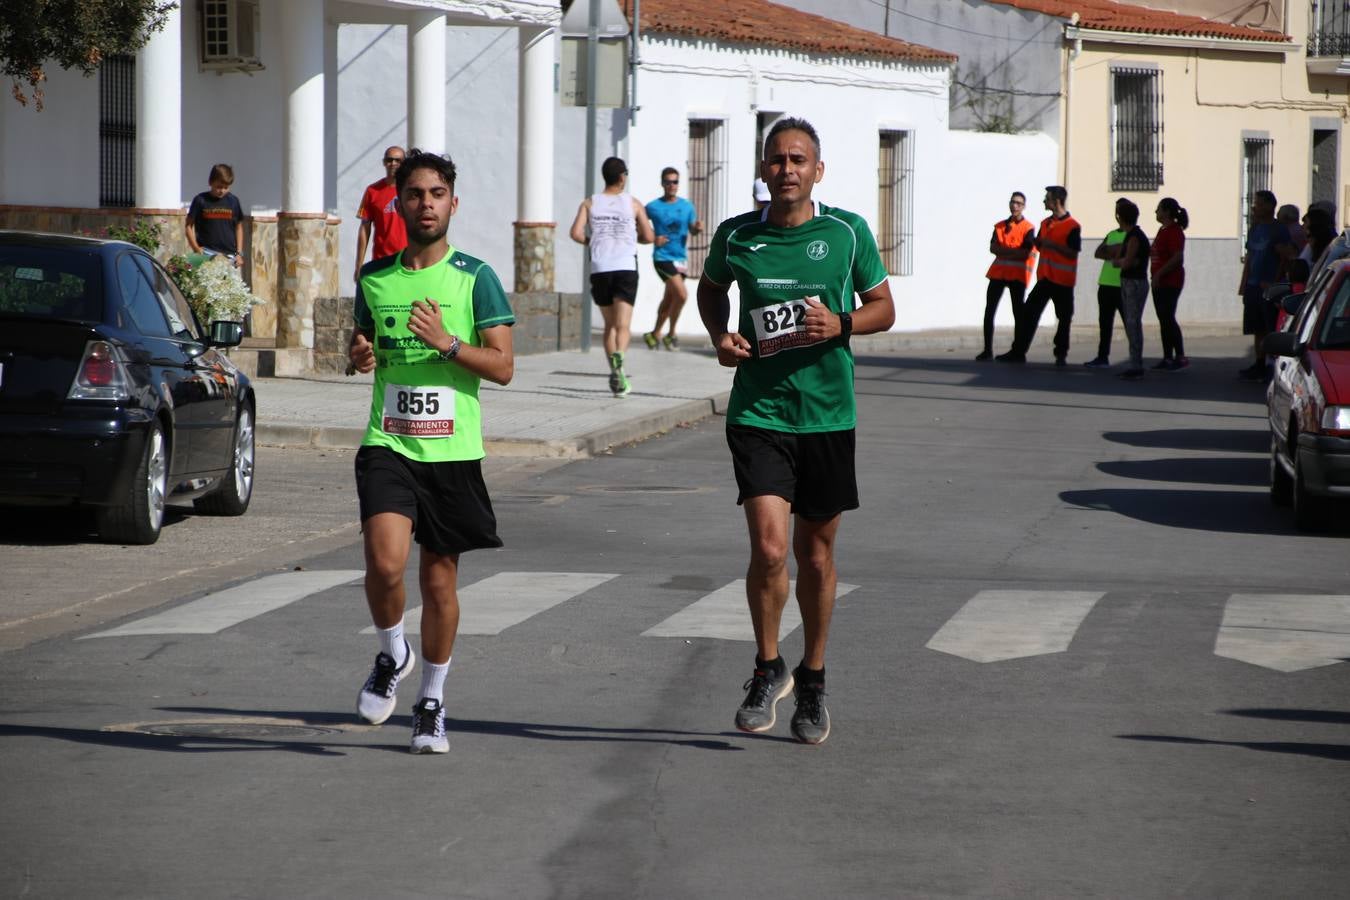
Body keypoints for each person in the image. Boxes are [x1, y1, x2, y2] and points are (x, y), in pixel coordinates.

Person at [696, 117, 895, 745]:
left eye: (799, 159)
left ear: (818, 170)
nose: (787, 169)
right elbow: (710, 292)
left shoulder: (846, 232)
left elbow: (884, 309)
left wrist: (840, 324)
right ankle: (765, 666)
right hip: (759, 412)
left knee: (815, 554)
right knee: (771, 549)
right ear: (762, 170)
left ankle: (811, 678)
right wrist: (720, 337)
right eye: (777, 159)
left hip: (829, 417)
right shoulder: (736, 236)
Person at [347, 149, 516, 755]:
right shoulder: (375, 277)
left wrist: (447, 344)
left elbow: (503, 367)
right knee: (386, 564)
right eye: (414, 194)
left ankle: (432, 703)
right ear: (399, 201)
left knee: (440, 583)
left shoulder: (476, 277)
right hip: (387, 442)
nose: (426, 204)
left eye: (436, 194)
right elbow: (362, 346)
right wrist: (358, 357)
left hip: (451, 451)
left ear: (452, 202)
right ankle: (394, 650)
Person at [568, 157, 655, 397]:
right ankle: (621, 358)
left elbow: (575, 233)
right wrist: (630, 236)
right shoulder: (633, 203)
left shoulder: (590, 203)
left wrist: (593, 241)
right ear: (622, 177)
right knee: (623, 325)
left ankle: (616, 372)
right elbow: (648, 236)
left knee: (609, 325)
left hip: (600, 266)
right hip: (626, 265)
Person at [996, 185, 1081, 365]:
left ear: (1056, 201)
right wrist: (1039, 243)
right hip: (1045, 279)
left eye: (1047, 198)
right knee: (1028, 314)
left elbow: (1073, 253)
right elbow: (1042, 246)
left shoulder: (1072, 226)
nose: (1044, 201)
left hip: (1063, 282)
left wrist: (1052, 245)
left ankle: (1060, 354)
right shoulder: (1045, 223)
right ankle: (1018, 352)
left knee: (1064, 318)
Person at [642, 167, 702, 351]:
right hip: (662, 257)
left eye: (675, 181)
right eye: (668, 182)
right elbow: (638, 226)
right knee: (682, 294)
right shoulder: (652, 207)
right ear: (662, 184)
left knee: (670, 299)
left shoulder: (687, 206)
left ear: (678, 184)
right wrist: (653, 237)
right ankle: (671, 333)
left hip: (680, 259)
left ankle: (654, 334)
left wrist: (697, 229)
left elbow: (692, 229)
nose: (671, 185)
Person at [1237, 190, 1294, 380]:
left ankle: (1272, 364)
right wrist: (1244, 284)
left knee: (1270, 326)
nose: (1255, 206)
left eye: (1259, 203)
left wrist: (1275, 283)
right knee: (1256, 327)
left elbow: (1285, 257)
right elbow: (1250, 257)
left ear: (1270, 206)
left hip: (1269, 287)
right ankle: (1259, 363)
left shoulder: (1278, 230)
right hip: (1253, 285)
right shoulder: (1255, 229)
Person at [977, 191, 1035, 361]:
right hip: (998, 273)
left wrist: (1004, 251)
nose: (1014, 205)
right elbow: (992, 248)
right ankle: (987, 350)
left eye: (1018, 203)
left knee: (1018, 313)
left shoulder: (1028, 228)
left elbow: (1025, 253)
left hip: (1017, 275)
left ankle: (1018, 352)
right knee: (989, 311)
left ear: (1023, 206)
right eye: (1012, 202)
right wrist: (1012, 252)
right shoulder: (1000, 226)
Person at [353, 145, 408, 284]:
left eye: (398, 160)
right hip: (382, 260)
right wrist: (359, 265)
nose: (393, 164)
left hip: (408, 259)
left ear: (404, 163)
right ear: (384, 162)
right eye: (389, 160)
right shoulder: (372, 191)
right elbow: (364, 228)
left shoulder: (411, 190)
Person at [1113, 199, 1150, 380]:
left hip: (1133, 282)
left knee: (1133, 323)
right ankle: (1135, 362)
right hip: (1133, 282)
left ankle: (1136, 364)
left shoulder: (1135, 236)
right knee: (1132, 322)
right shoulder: (1132, 235)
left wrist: (1117, 262)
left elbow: (1127, 261)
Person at [1150, 197, 1189, 371]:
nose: (1156, 212)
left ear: (1166, 211)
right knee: (1163, 319)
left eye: (1158, 209)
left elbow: (1177, 257)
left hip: (1170, 281)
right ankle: (1167, 357)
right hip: (1160, 281)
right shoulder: (1162, 230)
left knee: (1168, 317)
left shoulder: (1174, 231)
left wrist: (1160, 273)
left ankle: (1180, 356)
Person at [1083, 212, 1126, 368]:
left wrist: (1112, 250)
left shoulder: (1133, 235)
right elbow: (1098, 252)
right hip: (1106, 284)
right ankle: (1102, 357)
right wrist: (1114, 250)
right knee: (1105, 324)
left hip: (1122, 286)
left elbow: (1124, 252)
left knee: (1130, 324)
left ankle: (1136, 359)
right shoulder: (1112, 234)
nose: (1117, 215)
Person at [185, 163, 244, 269]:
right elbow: (188, 226)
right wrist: (196, 248)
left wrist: (238, 254)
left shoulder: (233, 201)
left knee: (230, 285)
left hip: (229, 255)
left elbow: (238, 228)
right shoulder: (200, 200)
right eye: (219, 187)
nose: (222, 190)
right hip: (206, 253)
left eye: (226, 187)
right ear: (210, 182)